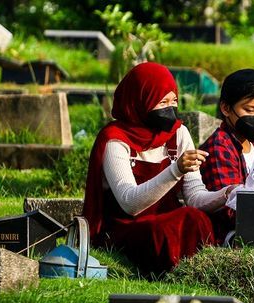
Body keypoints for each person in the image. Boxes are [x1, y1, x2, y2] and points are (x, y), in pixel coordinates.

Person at [83, 62, 230, 275]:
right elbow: (129, 203)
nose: (170, 110)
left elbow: (195, 196)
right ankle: (173, 274)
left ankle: (200, 273)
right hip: (127, 226)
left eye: (174, 101)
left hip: (167, 219)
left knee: (196, 218)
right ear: (140, 101)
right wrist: (175, 170)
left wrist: (227, 193)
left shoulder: (179, 134)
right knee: (165, 229)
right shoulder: (114, 140)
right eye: (162, 102)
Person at [199, 69, 254, 241]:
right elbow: (230, 210)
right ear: (226, 108)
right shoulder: (219, 148)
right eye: (250, 110)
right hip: (232, 236)